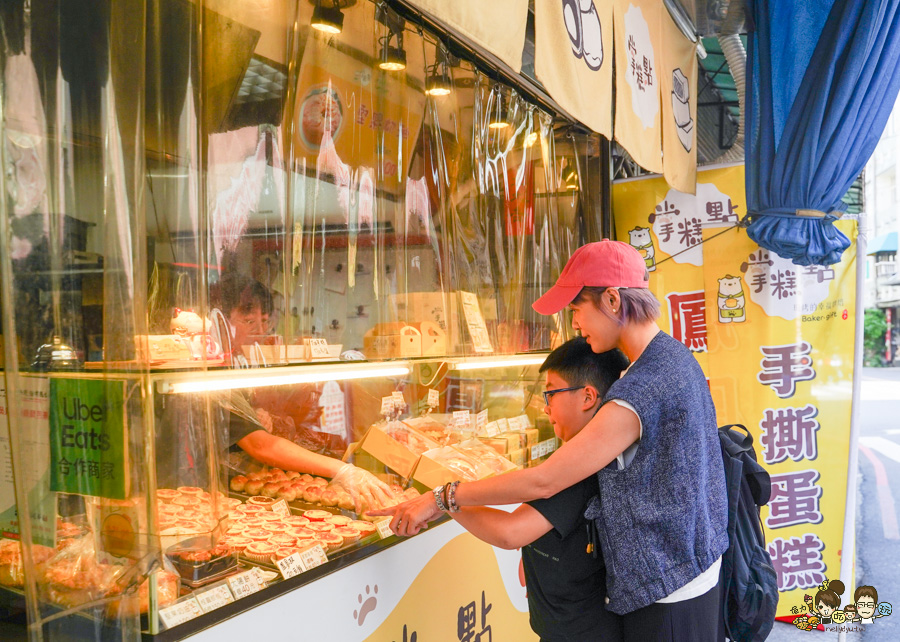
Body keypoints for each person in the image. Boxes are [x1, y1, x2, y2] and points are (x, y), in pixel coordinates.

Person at [373, 240, 729, 641]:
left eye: (576, 309)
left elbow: (544, 481)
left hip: (668, 587)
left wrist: (444, 496)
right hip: (689, 566)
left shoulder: (640, 390)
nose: (575, 324)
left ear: (612, 300)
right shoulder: (671, 358)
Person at [447, 338, 627, 641]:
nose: (545, 407)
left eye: (551, 393)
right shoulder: (598, 456)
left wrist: (443, 499)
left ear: (587, 397)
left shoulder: (579, 470)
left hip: (580, 632)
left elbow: (510, 533)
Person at [203, 272, 392, 510]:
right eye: (249, 321)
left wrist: (264, 416)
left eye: (265, 321)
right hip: (203, 493)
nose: (260, 331)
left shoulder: (242, 361)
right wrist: (342, 470)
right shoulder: (210, 370)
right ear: (220, 323)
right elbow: (260, 445)